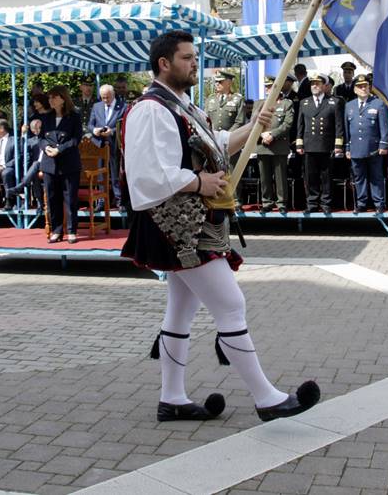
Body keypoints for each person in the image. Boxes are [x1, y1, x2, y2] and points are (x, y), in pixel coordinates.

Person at [121, 30, 320, 424]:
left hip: (192, 225)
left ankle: (172, 399)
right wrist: (199, 183)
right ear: (164, 63)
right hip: (177, 228)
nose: (194, 63)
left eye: (194, 57)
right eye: (187, 58)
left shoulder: (182, 106)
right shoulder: (150, 109)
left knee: (181, 310)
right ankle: (266, 398)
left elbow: (218, 143)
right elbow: (146, 175)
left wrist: (254, 125)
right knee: (230, 305)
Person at [296, 73, 345, 214]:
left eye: (317, 83)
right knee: (310, 177)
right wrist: (299, 143)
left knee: (326, 177)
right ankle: (312, 203)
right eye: (312, 84)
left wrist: (338, 145)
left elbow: (339, 125)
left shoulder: (333, 102)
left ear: (325, 86)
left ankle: (326, 204)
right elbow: (300, 125)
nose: (314, 86)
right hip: (309, 145)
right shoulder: (304, 103)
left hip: (326, 145)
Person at [41, 86, 82, 243]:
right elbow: (41, 138)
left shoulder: (74, 117)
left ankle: (71, 230)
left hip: (69, 163)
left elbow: (76, 139)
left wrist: (59, 149)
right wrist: (46, 147)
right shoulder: (46, 117)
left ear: (63, 99)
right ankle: (57, 230)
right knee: (52, 198)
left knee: (70, 198)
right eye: (49, 97)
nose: (50, 100)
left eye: (53, 97)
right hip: (49, 164)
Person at [345, 74, 388, 213]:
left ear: (369, 87)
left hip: (373, 148)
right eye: (359, 86)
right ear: (355, 89)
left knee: (376, 177)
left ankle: (379, 203)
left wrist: (383, 144)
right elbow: (347, 129)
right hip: (356, 148)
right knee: (359, 177)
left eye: (365, 86)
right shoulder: (349, 105)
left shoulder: (378, 103)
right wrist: (347, 147)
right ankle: (361, 203)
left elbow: (384, 127)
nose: (363, 88)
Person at [252, 76, 294, 213]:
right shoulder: (259, 104)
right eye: (266, 87)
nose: (267, 89)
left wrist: (272, 134)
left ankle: (281, 203)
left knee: (280, 176)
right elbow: (253, 123)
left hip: (279, 145)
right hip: (263, 144)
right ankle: (267, 202)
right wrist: (262, 135)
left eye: (270, 87)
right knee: (264, 177)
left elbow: (287, 123)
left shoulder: (286, 103)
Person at [88, 84, 126, 209]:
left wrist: (112, 131)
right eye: (103, 97)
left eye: (107, 97)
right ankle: (101, 201)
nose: (105, 100)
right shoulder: (97, 106)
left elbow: (125, 126)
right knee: (100, 174)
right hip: (100, 144)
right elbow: (90, 124)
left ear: (113, 95)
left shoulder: (123, 107)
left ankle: (119, 200)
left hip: (115, 145)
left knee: (115, 174)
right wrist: (94, 130)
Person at [13, 118, 45, 211]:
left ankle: (21, 186)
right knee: (33, 175)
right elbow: (22, 149)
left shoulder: (48, 138)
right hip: (36, 168)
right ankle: (39, 203)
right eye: (35, 128)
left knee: (34, 166)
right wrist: (23, 134)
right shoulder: (31, 141)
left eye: (39, 127)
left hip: (47, 164)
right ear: (32, 130)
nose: (38, 130)